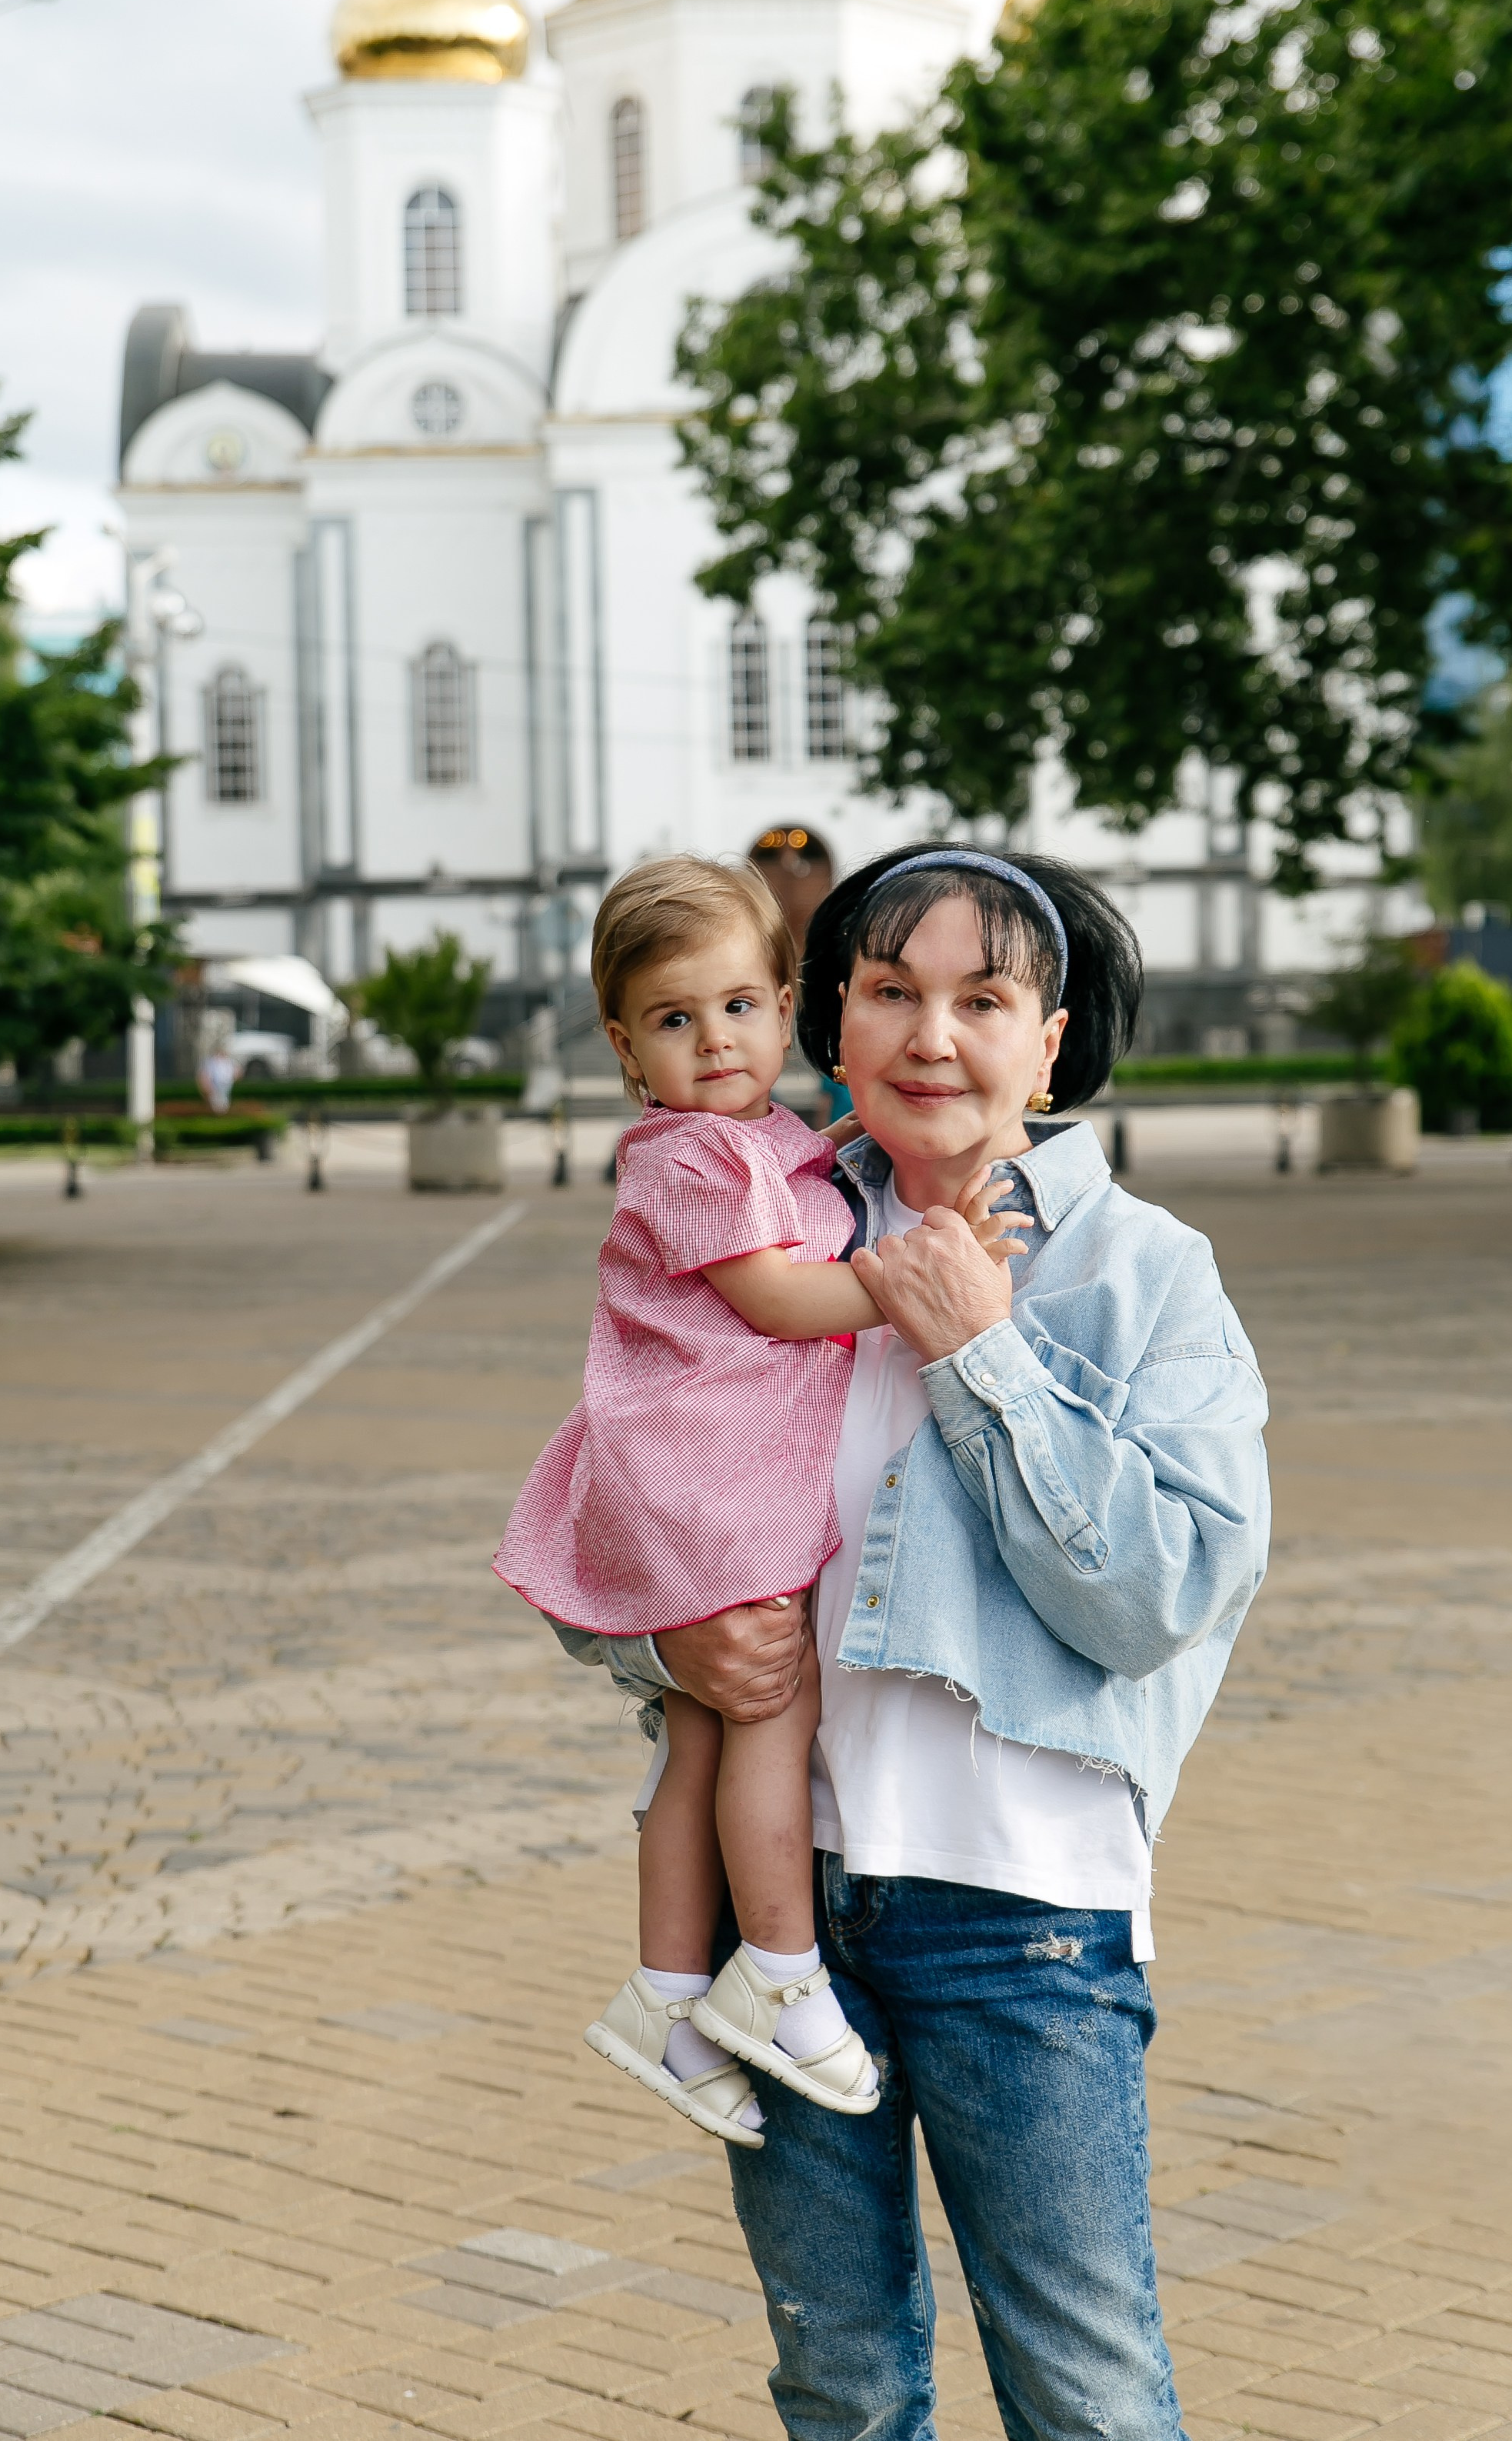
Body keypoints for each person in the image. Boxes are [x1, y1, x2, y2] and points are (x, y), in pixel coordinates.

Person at [551, 843, 1271, 2441]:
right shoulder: (759, 1231)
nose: (931, 1037)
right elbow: (611, 1514)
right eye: (889, 991)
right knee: (843, 2384)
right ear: (829, 1018)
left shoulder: (1143, 1275)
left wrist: (980, 1349)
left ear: (1048, 1038)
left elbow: (1160, 1598)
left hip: (1022, 1919)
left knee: (1082, 2389)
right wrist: (671, 1658)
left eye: (982, 1000)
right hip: (780, 1925)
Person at [494, 855, 1023, 2152]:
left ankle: (669, 1995)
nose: (715, 1041)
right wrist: (921, 1272)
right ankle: (779, 1976)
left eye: (737, 1007)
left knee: (700, 1734)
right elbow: (783, 1300)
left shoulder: (758, 1142)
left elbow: (807, 1175)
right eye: (675, 1020)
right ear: (626, 1047)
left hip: (693, 1466)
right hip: (703, 1477)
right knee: (772, 1708)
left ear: (787, 1011)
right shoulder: (688, 1158)